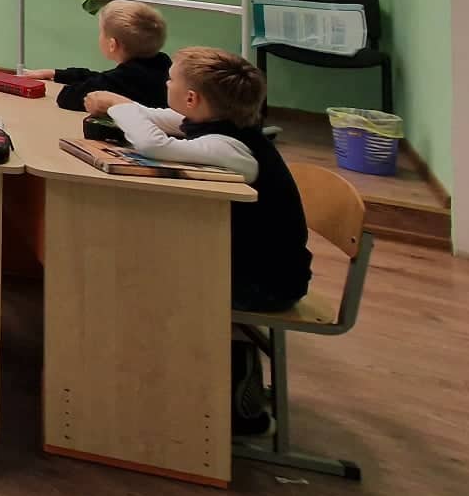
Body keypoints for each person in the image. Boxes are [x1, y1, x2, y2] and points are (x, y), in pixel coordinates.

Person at [89, 47, 309, 433]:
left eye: (171, 80)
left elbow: (155, 146)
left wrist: (118, 106)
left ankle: (231, 398)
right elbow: (156, 117)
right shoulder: (217, 123)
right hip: (246, 265)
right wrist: (122, 106)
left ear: (192, 98)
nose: (166, 83)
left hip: (264, 284)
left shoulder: (232, 148)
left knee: (137, 276)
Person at [25, 0, 170, 113]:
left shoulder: (123, 79)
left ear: (112, 44)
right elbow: (103, 78)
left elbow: (68, 97)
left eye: (101, 32)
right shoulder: (161, 63)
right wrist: (56, 74)